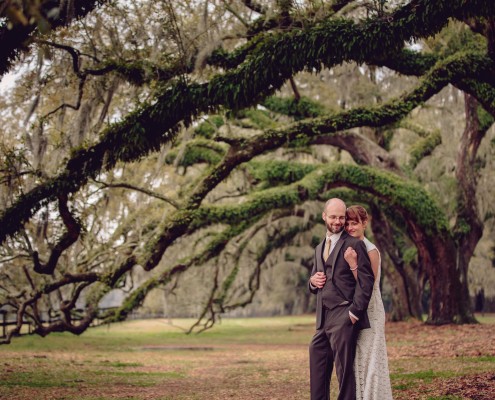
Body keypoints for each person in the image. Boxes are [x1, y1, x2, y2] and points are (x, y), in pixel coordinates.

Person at [309, 198, 375, 400]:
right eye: (333, 217)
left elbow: (366, 281)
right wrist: (312, 281)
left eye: (341, 217)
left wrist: (354, 313)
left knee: (344, 373)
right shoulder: (319, 248)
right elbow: (313, 283)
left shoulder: (355, 244)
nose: (338, 221)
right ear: (324, 216)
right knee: (317, 357)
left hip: (344, 314)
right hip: (323, 317)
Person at [343, 205, 393, 400]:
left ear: (365, 223)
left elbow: (367, 285)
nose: (350, 227)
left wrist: (353, 264)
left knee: (371, 362)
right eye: (347, 223)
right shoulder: (352, 246)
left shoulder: (371, 250)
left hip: (371, 310)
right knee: (359, 360)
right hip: (357, 309)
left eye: (354, 223)